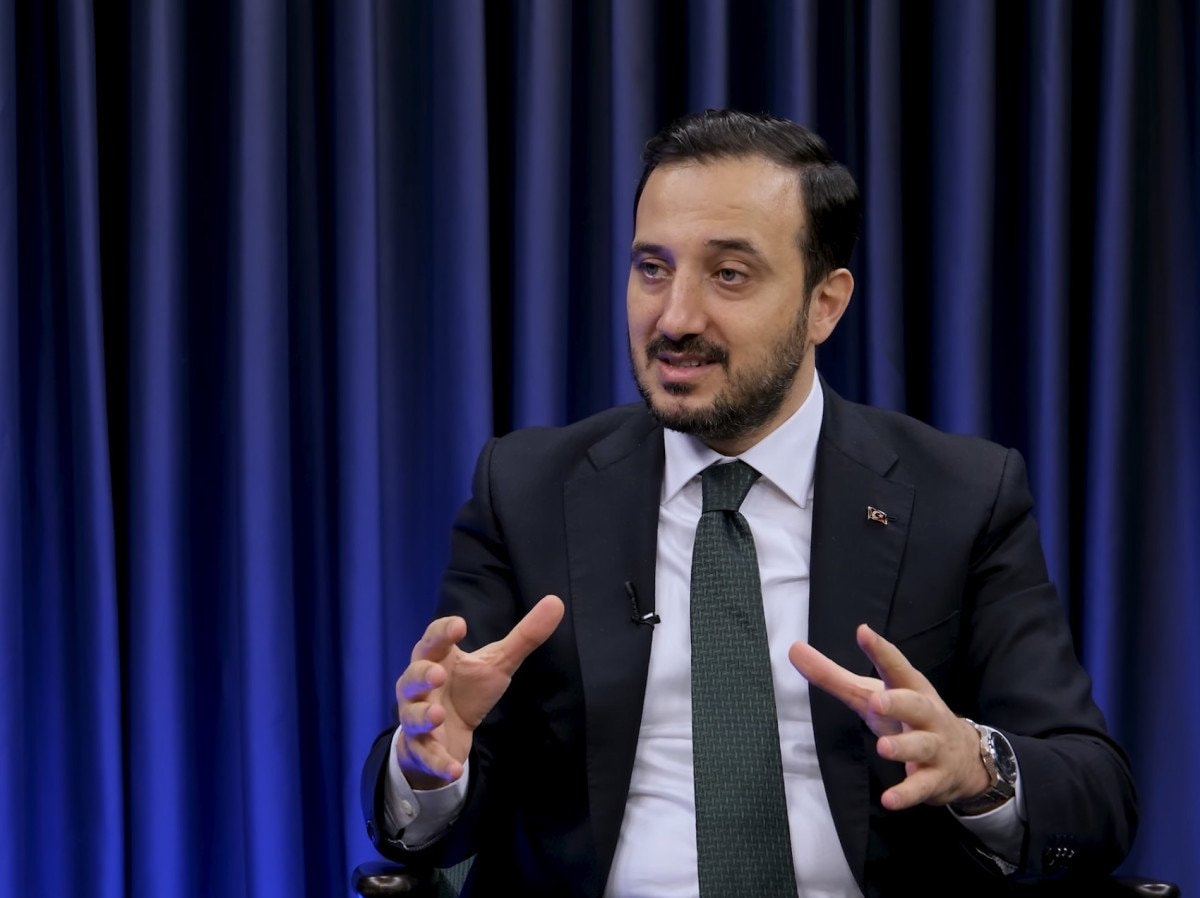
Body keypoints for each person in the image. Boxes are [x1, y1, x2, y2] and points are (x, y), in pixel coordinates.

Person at [361, 109, 1137, 897]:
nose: (675, 318)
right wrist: (428, 770)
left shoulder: (961, 498)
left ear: (825, 303)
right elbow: (439, 789)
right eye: (652, 268)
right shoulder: (526, 489)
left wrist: (975, 767)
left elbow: (1095, 794)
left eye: (728, 274)